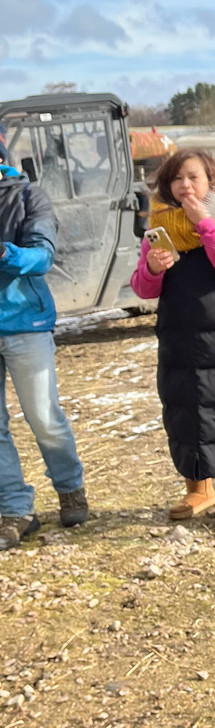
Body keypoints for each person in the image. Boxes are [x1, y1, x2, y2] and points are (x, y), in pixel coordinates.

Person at [130, 148, 215, 531]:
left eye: (193, 177)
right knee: (184, 409)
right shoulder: (160, 227)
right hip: (178, 336)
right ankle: (199, 488)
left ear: (210, 181)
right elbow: (142, 288)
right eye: (176, 178)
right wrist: (153, 268)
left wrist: (205, 224)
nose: (185, 185)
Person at [0, 161, 87, 550]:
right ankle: (15, 510)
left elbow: (42, 256)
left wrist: (5, 253)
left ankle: (70, 488)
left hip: (24, 323)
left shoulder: (27, 196)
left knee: (44, 417)